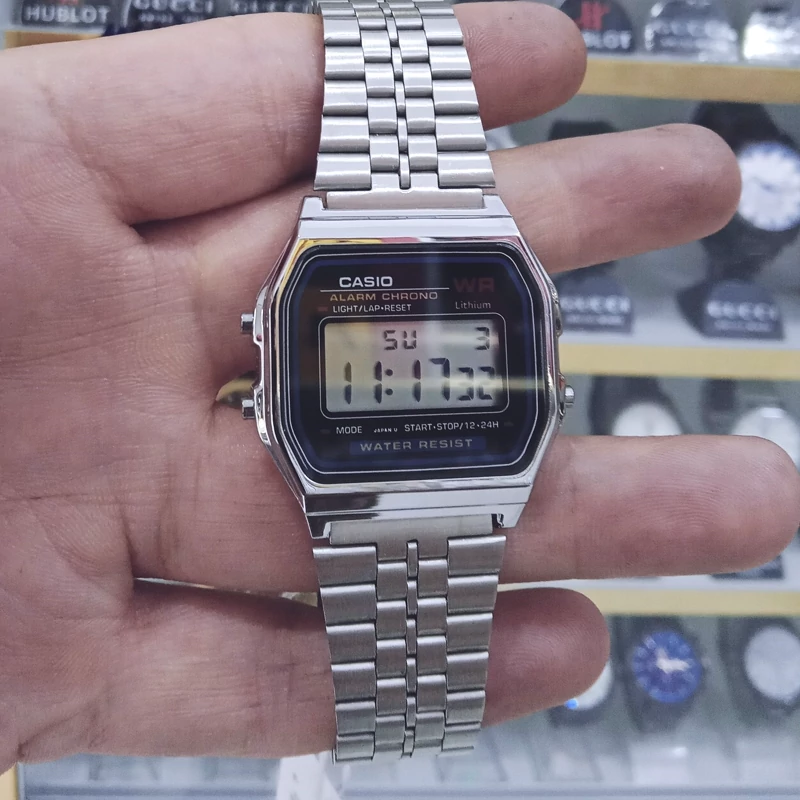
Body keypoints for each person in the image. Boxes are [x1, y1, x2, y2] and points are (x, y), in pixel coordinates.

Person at [0, 2, 798, 771]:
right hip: (383, 483)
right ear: (266, 357)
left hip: (439, 483)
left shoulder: (415, 284)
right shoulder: (344, 294)